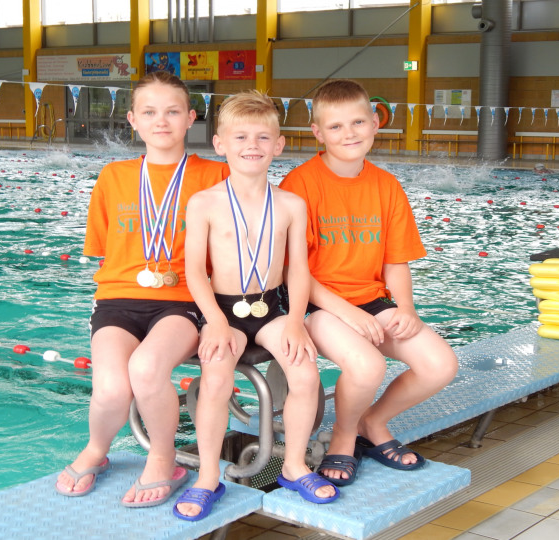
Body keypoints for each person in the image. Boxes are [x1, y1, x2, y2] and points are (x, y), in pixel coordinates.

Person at [54, 71, 229, 508]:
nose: (161, 121)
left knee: (148, 370)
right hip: (118, 300)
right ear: (132, 119)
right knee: (111, 389)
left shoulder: (218, 175)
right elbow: (102, 250)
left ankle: (164, 457)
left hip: (184, 301)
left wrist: (216, 318)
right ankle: (98, 449)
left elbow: (233, 255)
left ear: (191, 118)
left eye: (172, 111)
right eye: (150, 112)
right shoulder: (113, 177)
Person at [279, 79, 459, 486]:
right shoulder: (300, 186)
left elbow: (395, 260)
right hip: (315, 305)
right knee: (367, 366)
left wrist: (406, 308)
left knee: (440, 365)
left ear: (375, 123)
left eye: (358, 122)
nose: (349, 134)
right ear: (318, 133)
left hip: (372, 300)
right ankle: (343, 436)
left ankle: (372, 422)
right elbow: (293, 271)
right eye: (337, 126)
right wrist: (345, 312)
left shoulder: (386, 186)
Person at [175, 90, 339, 521]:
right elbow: (194, 271)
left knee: (304, 372)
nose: (252, 145)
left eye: (263, 138)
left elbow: (299, 270)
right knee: (215, 380)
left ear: (279, 145)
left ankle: (294, 465)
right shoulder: (204, 203)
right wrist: (213, 321)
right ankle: (208, 476)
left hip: (272, 309)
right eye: (241, 136)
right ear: (220, 144)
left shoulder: (290, 204)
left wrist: (297, 323)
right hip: (223, 311)